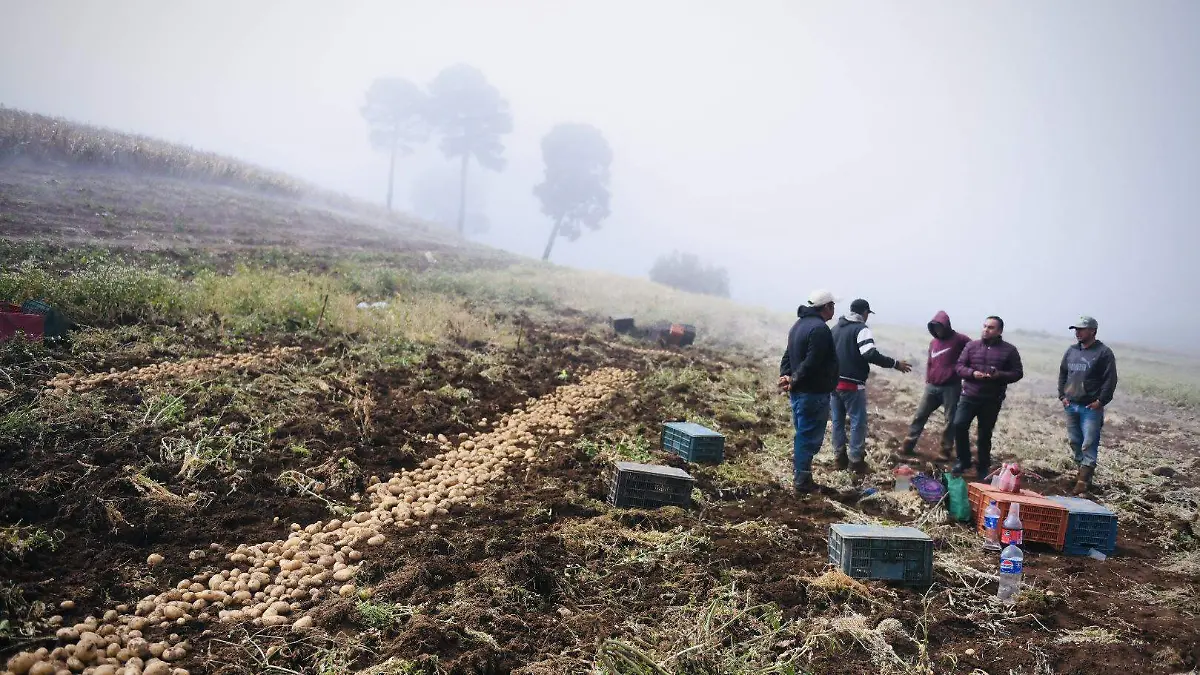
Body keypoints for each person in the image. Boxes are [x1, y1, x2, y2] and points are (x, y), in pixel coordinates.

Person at [829, 299, 912, 474]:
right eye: (868, 314)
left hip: (833, 382)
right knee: (858, 421)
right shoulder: (861, 329)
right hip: (852, 384)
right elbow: (869, 353)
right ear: (864, 312)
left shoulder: (835, 328)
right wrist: (894, 363)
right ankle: (855, 461)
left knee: (837, 420)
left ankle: (839, 458)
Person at [778, 289, 839, 494]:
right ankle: (802, 480)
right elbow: (813, 362)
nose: (834, 310)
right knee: (808, 437)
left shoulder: (798, 325)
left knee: (803, 433)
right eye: (833, 306)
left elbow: (788, 356)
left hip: (800, 393)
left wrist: (786, 376)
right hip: (813, 393)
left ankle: (803, 476)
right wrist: (793, 379)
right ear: (826, 307)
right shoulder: (820, 329)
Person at [952, 316, 1024, 481]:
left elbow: (1018, 373)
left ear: (999, 331)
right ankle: (963, 460)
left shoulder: (1009, 350)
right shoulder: (971, 346)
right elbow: (959, 366)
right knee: (959, 424)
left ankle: (983, 466)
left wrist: (999, 375)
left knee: (985, 433)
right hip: (969, 394)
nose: (986, 329)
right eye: (984, 326)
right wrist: (972, 373)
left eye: (990, 327)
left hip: (992, 399)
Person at [1058, 315, 1118, 495]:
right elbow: (1063, 373)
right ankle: (1082, 471)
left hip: (1090, 407)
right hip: (1071, 404)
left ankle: (1083, 482)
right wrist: (1062, 395)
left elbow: (1110, 379)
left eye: (1081, 329)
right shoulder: (1071, 351)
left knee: (1088, 444)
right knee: (1074, 441)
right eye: (1075, 329)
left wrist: (1101, 401)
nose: (1077, 332)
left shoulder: (1103, 352)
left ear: (1093, 331)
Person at [903, 311, 971, 458]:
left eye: (939, 327)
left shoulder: (960, 339)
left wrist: (964, 370)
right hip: (932, 386)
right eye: (934, 328)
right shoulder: (933, 342)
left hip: (951, 387)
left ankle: (945, 450)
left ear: (946, 326)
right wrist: (928, 378)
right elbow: (930, 362)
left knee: (950, 419)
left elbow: (973, 350)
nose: (937, 331)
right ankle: (908, 444)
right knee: (920, 415)